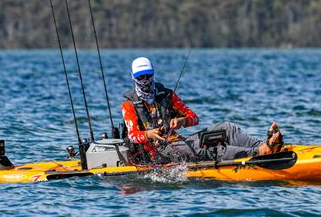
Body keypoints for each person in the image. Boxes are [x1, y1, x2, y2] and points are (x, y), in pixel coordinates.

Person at [121, 57, 284, 164]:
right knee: (211, 150)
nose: (145, 81)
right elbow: (133, 136)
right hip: (158, 152)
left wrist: (182, 121)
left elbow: (195, 118)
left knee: (227, 128)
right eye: (141, 77)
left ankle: (266, 146)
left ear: (153, 74)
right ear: (134, 78)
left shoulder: (168, 95)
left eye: (148, 76)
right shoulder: (129, 106)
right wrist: (148, 134)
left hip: (179, 142)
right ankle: (258, 153)